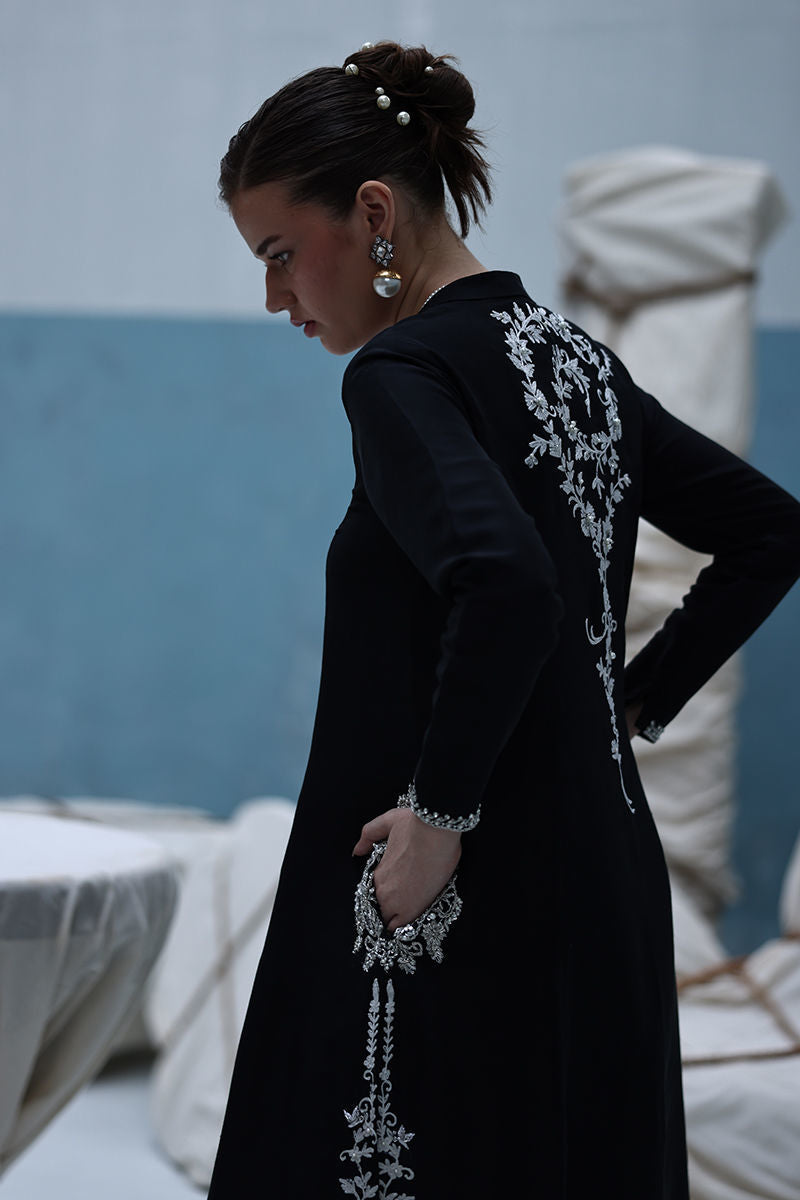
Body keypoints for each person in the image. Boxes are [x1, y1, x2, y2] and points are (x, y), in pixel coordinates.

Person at [206, 41, 800, 1200]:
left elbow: (506, 578)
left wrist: (436, 814)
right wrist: (629, 698)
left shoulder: (399, 375)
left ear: (373, 213)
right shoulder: (578, 362)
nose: (275, 297)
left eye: (280, 254)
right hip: (597, 865)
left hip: (445, 884)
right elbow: (770, 530)